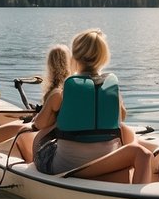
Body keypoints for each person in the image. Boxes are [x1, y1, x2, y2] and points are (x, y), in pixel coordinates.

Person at [30, 29, 152, 184]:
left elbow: (39, 124)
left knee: (37, 138)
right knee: (124, 130)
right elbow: (121, 117)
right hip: (105, 161)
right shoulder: (112, 90)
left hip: (64, 165)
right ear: (103, 57)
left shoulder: (60, 94)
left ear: (74, 57)